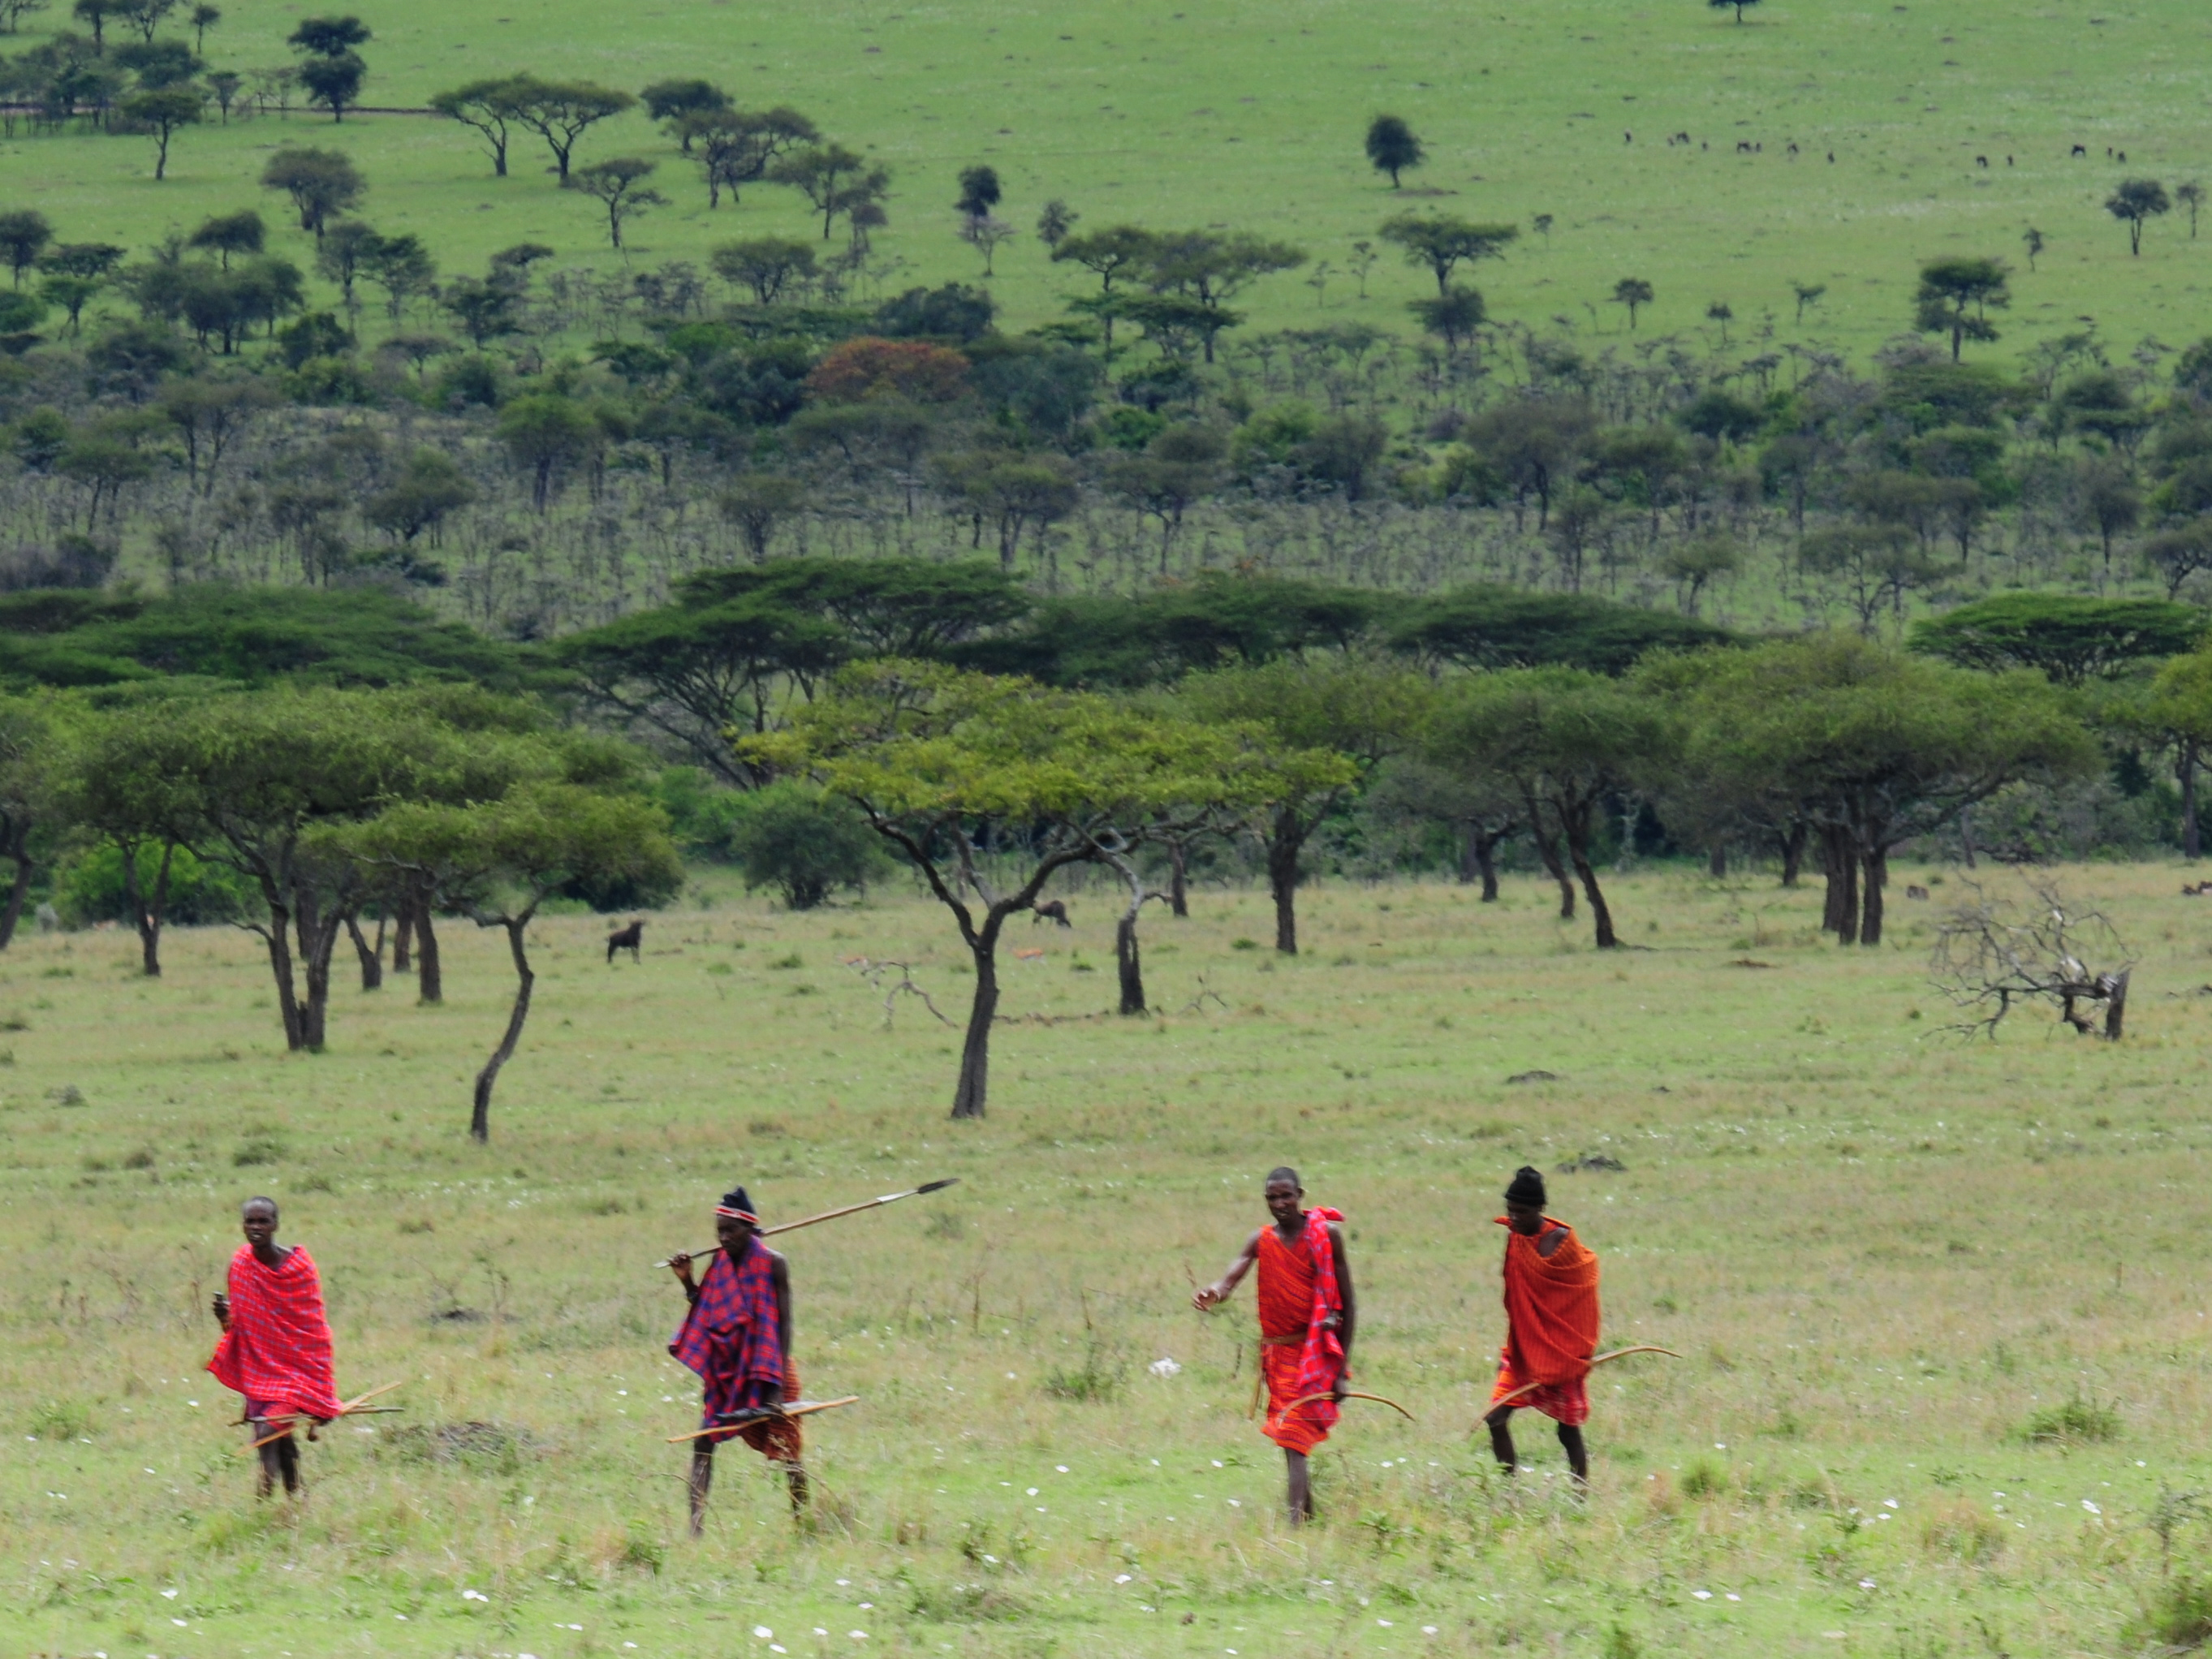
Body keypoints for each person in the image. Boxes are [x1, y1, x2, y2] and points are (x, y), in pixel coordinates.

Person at [1191, 1166, 1356, 1523]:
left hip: (1315, 1353)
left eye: (1286, 1196)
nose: (1280, 1203)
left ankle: (1294, 1529)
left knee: (1294, 1439)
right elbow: (1232, 1276)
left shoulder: (1327, 1237)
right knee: (1289, 1441)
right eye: (1272, 1198)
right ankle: (1308, 1518)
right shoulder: (1261, 1239)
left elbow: (1349, 1303)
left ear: (1301, 1195)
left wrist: (1341, 1370)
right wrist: (1215, 1292)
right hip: (1277, 1355)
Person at [668, 1186, 807, 1533]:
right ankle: (695, 1529)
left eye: (731, 1230)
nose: (724, 1237)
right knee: (704, 1439)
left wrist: (774, 1386)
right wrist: (687, 1281)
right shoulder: (720, 1264)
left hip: (772, 1370)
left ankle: (803, 1525)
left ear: (750, 1229)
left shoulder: (774, 1263)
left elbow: (785, 1323)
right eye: (719, 1231)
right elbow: (712, 1311)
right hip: (735, 1373)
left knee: (789, 1453)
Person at [207, 1196, 344, 1499]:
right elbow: (239, 1328)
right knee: (280, 1440)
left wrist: (317, 1379)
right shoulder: (241, 1265)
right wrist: (225, 1316)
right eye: (250, 1221)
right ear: (242, 1225)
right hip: (259, 1373)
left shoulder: (299, 1269)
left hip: (298, 1376)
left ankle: (262, 1504)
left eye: (263, 1221)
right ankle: (296, 1500)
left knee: (267, 1433)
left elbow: (313, 1329)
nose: (256, 1227)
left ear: (276, 1225)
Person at [1483, 1166, 1601, 1485]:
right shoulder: (1516, 1239)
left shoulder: (1562, 1242)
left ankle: (1580, 1494)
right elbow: (1518, 1300)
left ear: (1540, 1209)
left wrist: (1573, 1351)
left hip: (1561, 1351)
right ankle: (1507, 1492)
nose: (1515, 1218)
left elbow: (1579, 1296)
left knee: (1567, 1428)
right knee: (1495, 1418)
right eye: (1510, 1211)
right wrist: (1514, 1346)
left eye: (1522, 1211)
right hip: (1524, 1349)